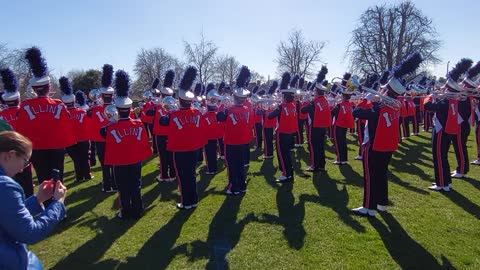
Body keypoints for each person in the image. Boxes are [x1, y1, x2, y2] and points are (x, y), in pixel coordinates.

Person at [352, 51, 423, 217]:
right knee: (382, 174)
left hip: (375, 145)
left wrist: (369, 100)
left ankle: (368, 207)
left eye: (383, 89)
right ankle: (381, 203)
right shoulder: (395, 106)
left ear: (388, 91)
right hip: (388, 146)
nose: (380, 91)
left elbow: (356, 112)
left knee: (370, 176)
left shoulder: (379, 108)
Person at [0, 131, 67, 270]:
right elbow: (29, 232)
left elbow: (8, 215)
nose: (21, 170)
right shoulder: (5, 185)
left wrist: (38, 199)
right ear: (10, 155)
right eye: (25, 162)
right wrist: (58, 204)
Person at [16, 47, 76, 185]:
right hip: (57, 148)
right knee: (58, 180)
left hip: (36, 149)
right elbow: (67, 126)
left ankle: (48, 203)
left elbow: (21, 130)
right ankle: (58, 203)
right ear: (49, 87)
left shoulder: (25, 106)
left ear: (34, 89)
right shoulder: (59, 105)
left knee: (43, 179)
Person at [101, 70, 152, 219]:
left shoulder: (110, 128)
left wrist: (111, 121)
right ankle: (138, 208)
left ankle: (126, 210)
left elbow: (102, 133)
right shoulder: (138, 124)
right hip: (136, 160)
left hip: (120, 162)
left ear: (117, 109)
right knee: (136, 185)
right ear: (130, 109)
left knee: (123, 187)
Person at [160, 66, 206, 210]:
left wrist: (171, 111)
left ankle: (186, 202)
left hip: (180, 149)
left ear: (180, 99)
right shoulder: (197, 113)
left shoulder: (173, 115)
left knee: (182, 176)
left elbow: (162, 121)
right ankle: (194, 199)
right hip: (193, 148)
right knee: (191, 174)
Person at [217, 66, 254, 194]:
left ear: (235, 97)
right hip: (242, 141)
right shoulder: (246, 109)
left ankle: (233, 187)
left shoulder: (229, 110)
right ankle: (242, 186)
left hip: (231, 142)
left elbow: (218, 116)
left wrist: (224, 107)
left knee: (232, 166)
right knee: (240, 165)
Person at [89, 64, 117, 192]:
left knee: (105, 164)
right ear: (112, 96)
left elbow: (90, 121)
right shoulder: (118, 108)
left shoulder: (94, 110)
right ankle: (115, 184)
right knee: (115, 163)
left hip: (100, 139)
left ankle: (107, 185)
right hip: (114, 138)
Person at [60, 78, 93, 182]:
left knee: (76, 160)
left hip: (70, 141)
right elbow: (88, 125)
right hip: (83, 139)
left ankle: (79, 177)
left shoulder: (61, 114)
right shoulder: (82, 112)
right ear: (74, 101)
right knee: (84, 158)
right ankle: (87, 175)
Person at [268, 72, 298, 182]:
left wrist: (271, 107)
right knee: (287, 154)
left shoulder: (282, 107)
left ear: (285, 96)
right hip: (290, 133)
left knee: (282, 155)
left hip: (282, 133)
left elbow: (271, 116)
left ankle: (285, 174)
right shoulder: (293, 105)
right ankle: (289, 172)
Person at [301, 66, 329, 172]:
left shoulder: (314, 103)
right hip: (323, 127)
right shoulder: (325, 101)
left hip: (314, 127)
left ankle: (314, 165)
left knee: (313, 147)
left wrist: (307, 100)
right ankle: (321, 165)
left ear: (317, 91)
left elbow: (303, 110)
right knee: (321, 147)